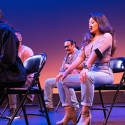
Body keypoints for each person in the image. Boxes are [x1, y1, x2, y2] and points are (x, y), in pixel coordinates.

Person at [56, 13, 117, 125]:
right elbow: (79, 58)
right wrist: (65, 72)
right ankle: (70, 113)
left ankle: (85, 115)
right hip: (91, 72)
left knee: (86, 76)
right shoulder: (89, 41)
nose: (89, 25)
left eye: (92, 22)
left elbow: (96, 53)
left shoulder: (107, 36)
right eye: (89, 23)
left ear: (100, 23)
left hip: (104, 72)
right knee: (61, 80)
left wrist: (86, 68)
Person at [44, 39, 83, 111]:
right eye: (65, 47)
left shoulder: (80, 53)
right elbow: (61, 70)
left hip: (78, 78)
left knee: (67, 81)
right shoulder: (67, 57)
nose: (66, 48)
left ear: (73, 45)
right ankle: (48, 106)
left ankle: (75, 106)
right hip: (66, 77)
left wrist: (70, 66)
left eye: (67, 46)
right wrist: (59, 75)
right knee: (48, 82)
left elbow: (83, 66)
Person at [7, 30, 34, 119]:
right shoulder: (10, 51)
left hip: (26, 78)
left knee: (11, 83)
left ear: (20, 38)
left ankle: (14, 110)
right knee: (4, 82)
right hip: (16, 77)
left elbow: (28, 70)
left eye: (16, 37)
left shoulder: (27, 51)